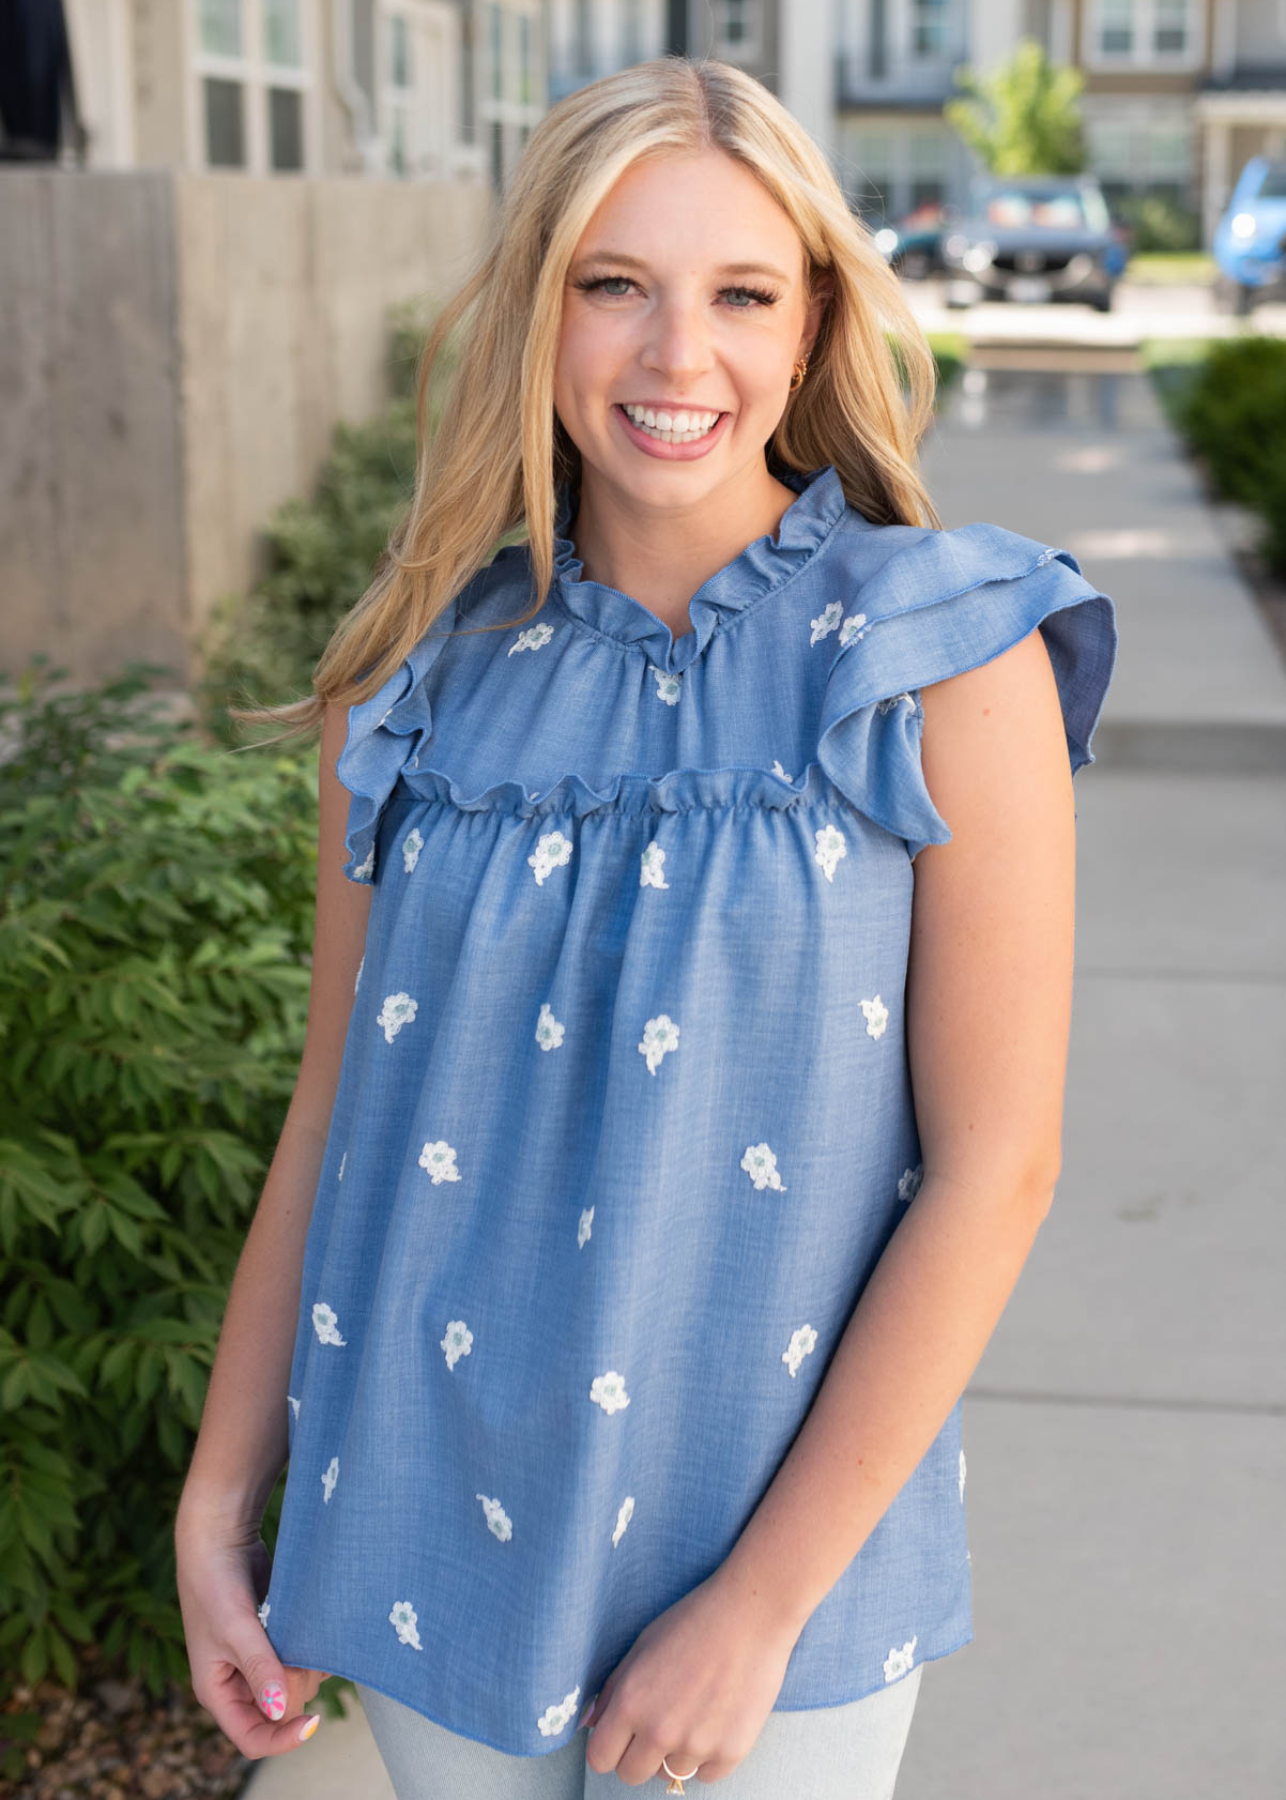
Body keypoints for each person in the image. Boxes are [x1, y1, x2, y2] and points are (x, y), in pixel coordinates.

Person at [174, 54, 1118, 1798]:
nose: (678, 359)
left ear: (812, 319)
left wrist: (755, 1609)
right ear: (539, 310)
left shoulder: (936, 654)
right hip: (426, 1512)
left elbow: (1002, 1168)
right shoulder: (416, 681)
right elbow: (333, 1115)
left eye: (739, 293)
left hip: (772, 1566)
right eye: (614, 285)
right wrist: (221, 1498)